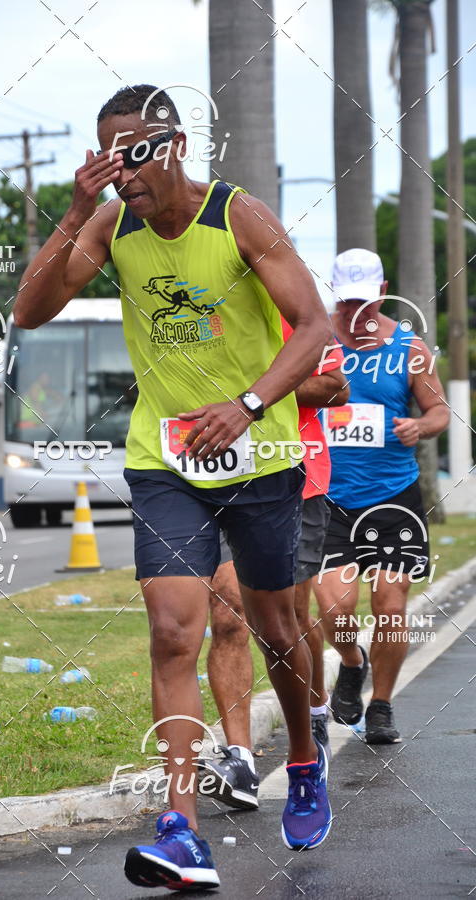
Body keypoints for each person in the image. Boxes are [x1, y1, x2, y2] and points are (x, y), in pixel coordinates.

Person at [13, 84, 333, 892]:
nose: (126, 170)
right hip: (166, 459)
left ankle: (301, 756)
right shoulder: (110, 223)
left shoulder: (238, 217)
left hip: (259, 454)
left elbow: (317, 326)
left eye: (139, 150)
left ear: (177, 144)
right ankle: (182, 829)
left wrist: (252, 402)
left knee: (274, 625)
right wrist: (70, 213)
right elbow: (29, 310)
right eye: (112, 155)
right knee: (171, 631)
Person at [197, 322, 348, 811]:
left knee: (288, 622)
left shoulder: (292, 303)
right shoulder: (198, 303)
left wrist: (254, 393)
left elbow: (333, 387)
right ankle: (239, 759)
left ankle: (315, 711)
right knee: (227, 613)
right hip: (213, 473)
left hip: (293, 478)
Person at [313, 248, 449, 745]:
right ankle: (352, 661)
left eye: (366, 303)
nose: (356, 313)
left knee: (390, 608)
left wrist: (420, 425)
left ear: (383, 290)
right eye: (347, 302)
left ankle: (382, 706)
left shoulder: (411, 348)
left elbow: (439, 411)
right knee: (335, 609)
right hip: (327, 495)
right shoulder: (315, 337)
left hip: (394, 496)